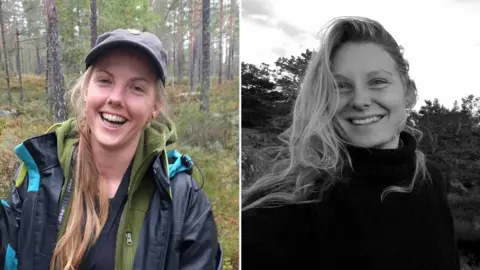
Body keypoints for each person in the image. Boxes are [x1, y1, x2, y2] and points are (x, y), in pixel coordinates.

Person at [242, 17, 459, 270]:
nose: (360, 100)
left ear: (408, 93)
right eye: (341, 86)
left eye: (377, 81)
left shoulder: (428, 178)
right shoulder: (283, 208)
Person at [0, 29, 222, 270]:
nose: (115, 98)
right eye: (105, 80)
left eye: (136, 88)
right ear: (86, 90)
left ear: (155, 106)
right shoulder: (40, 174)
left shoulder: (182, 198)